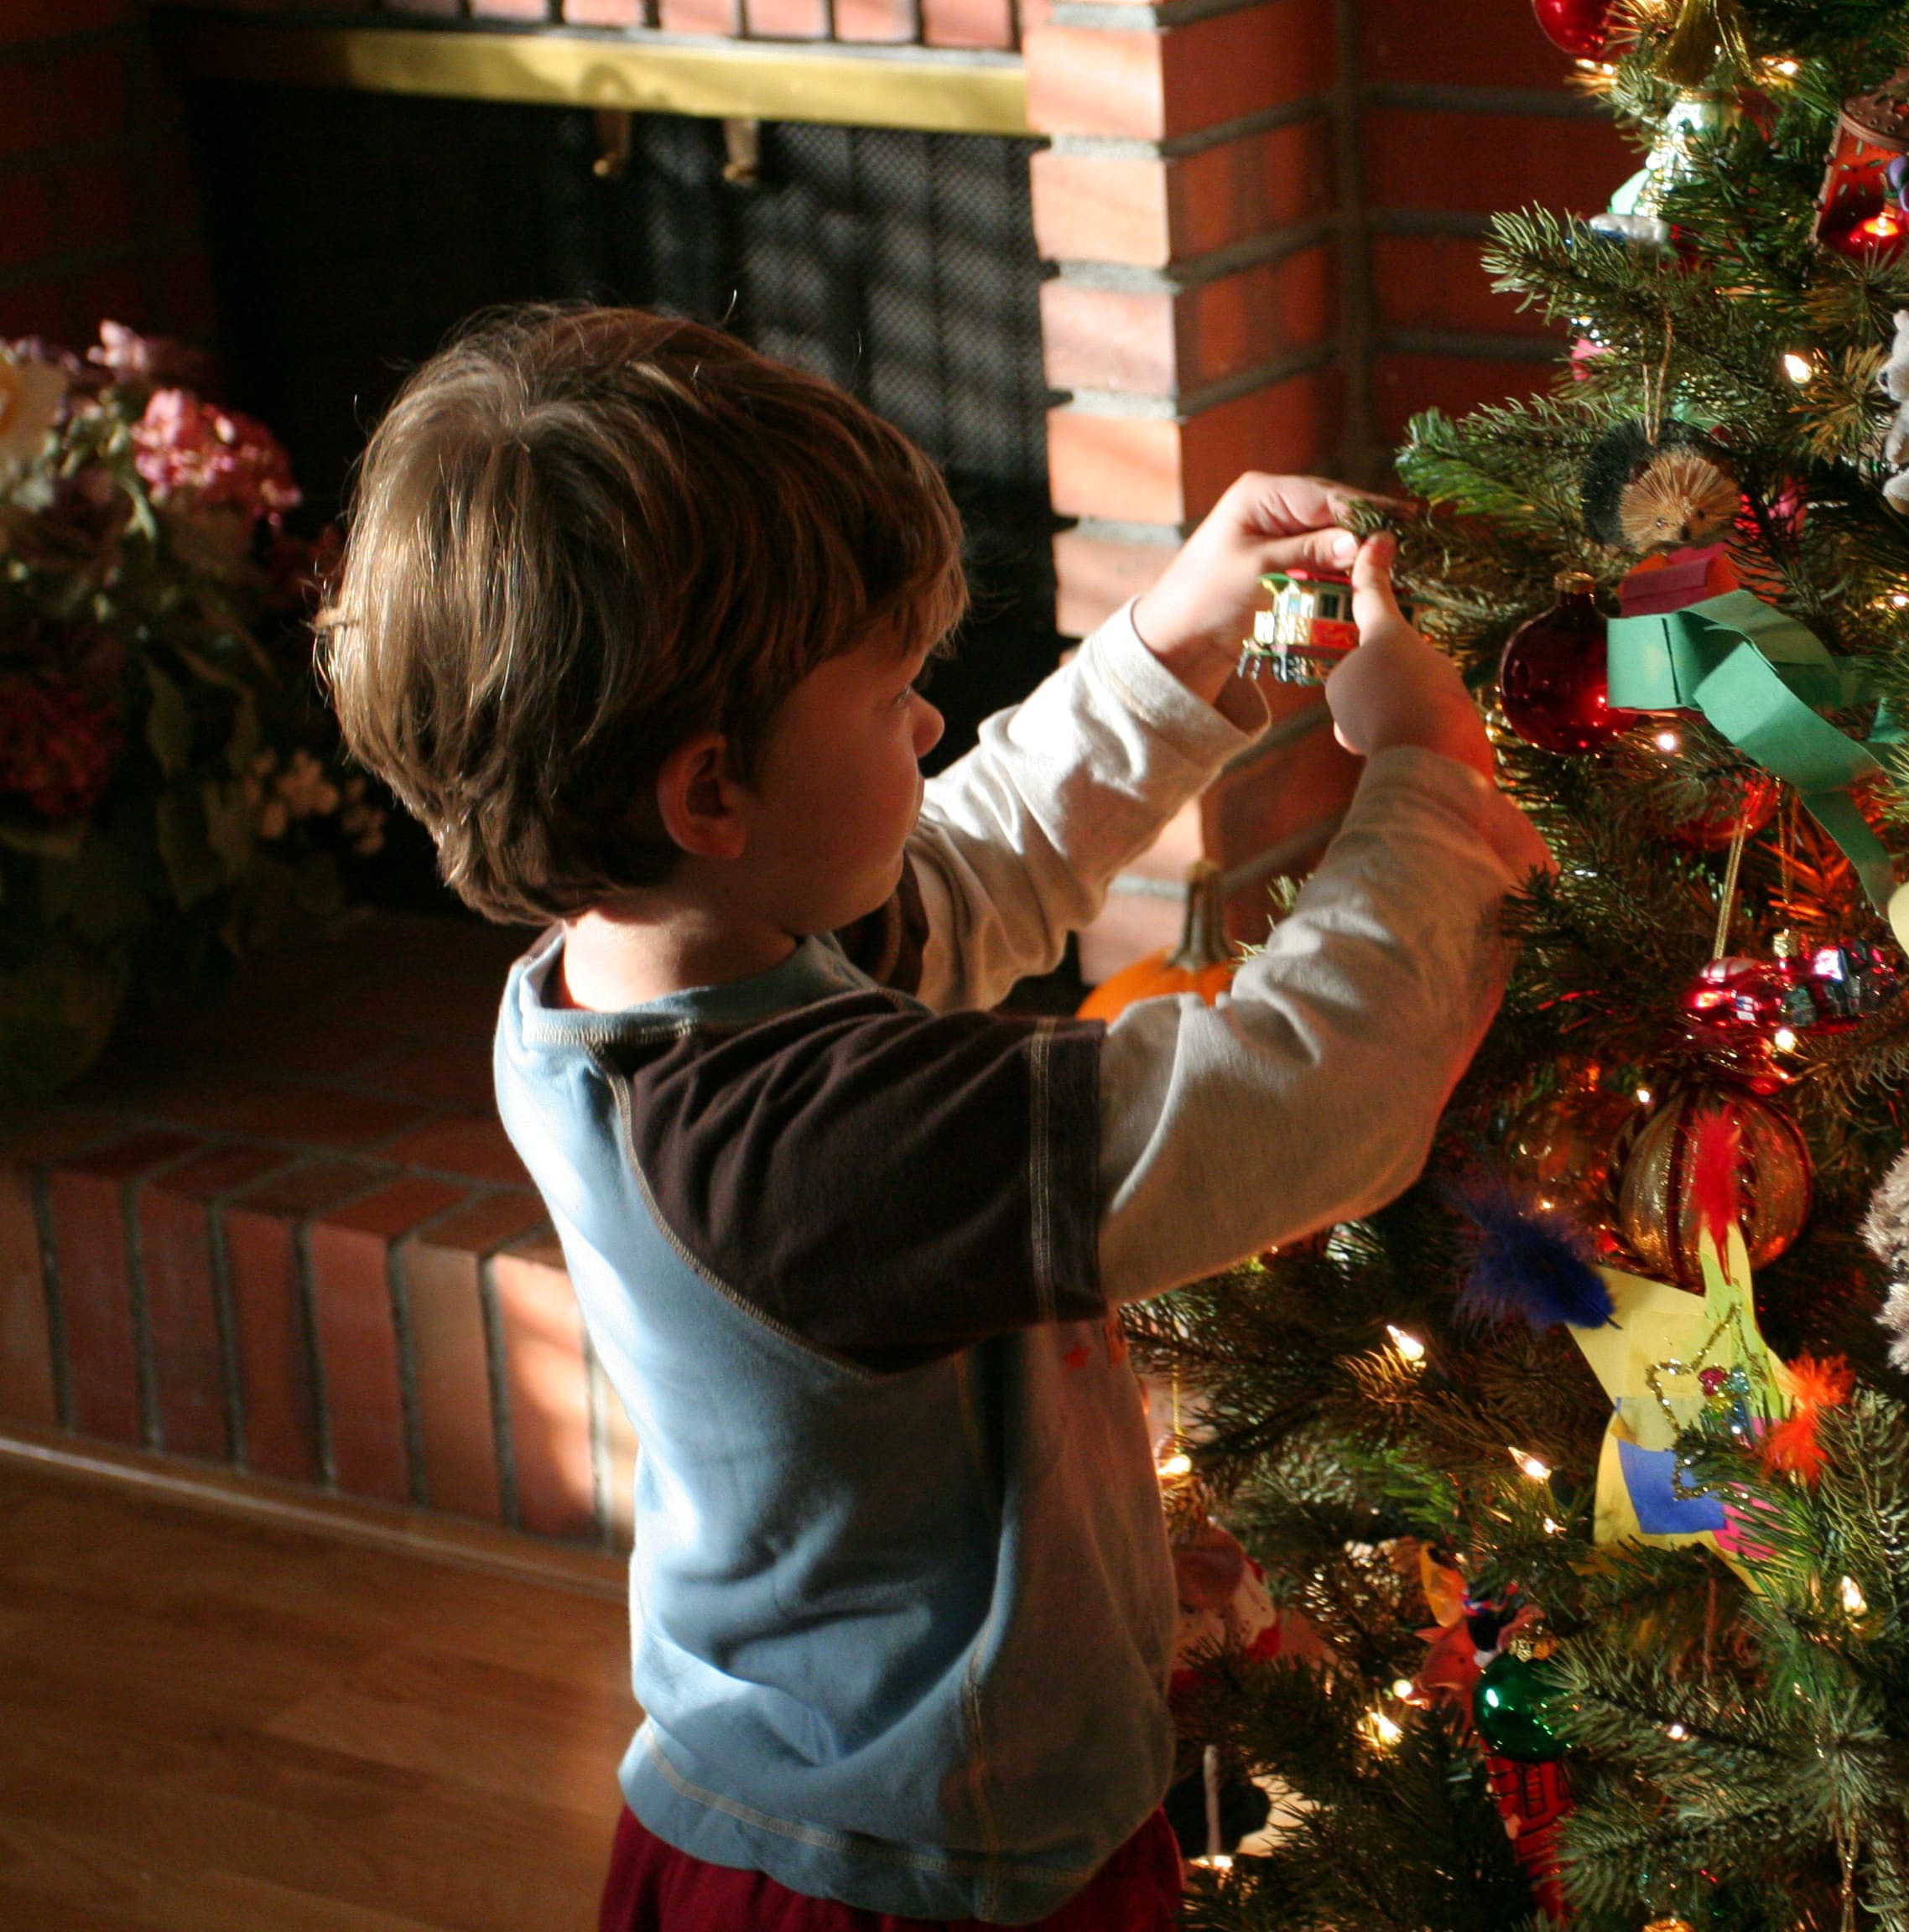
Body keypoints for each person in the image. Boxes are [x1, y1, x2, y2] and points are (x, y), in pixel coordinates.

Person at [316, 306, 1545, 1930]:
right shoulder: (803, 1151)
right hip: (913, 1880)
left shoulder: (661, 965)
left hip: (879, 1812)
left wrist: (1181, 646)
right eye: (893, 690)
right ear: (712, 793)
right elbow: (1300, 1098)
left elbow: (968, 865)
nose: (927, 726)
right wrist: (1429, 783)